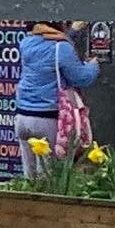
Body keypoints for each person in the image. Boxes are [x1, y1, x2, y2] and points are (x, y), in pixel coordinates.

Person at [12, 20, 98, 168]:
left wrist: (73, 32)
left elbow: (50, 46)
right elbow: (81, 78)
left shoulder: (26, 42)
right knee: (52, 176)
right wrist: (93, 65)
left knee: (31, 176)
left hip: (22, 117)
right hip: (47, 117)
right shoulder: (61, 47)